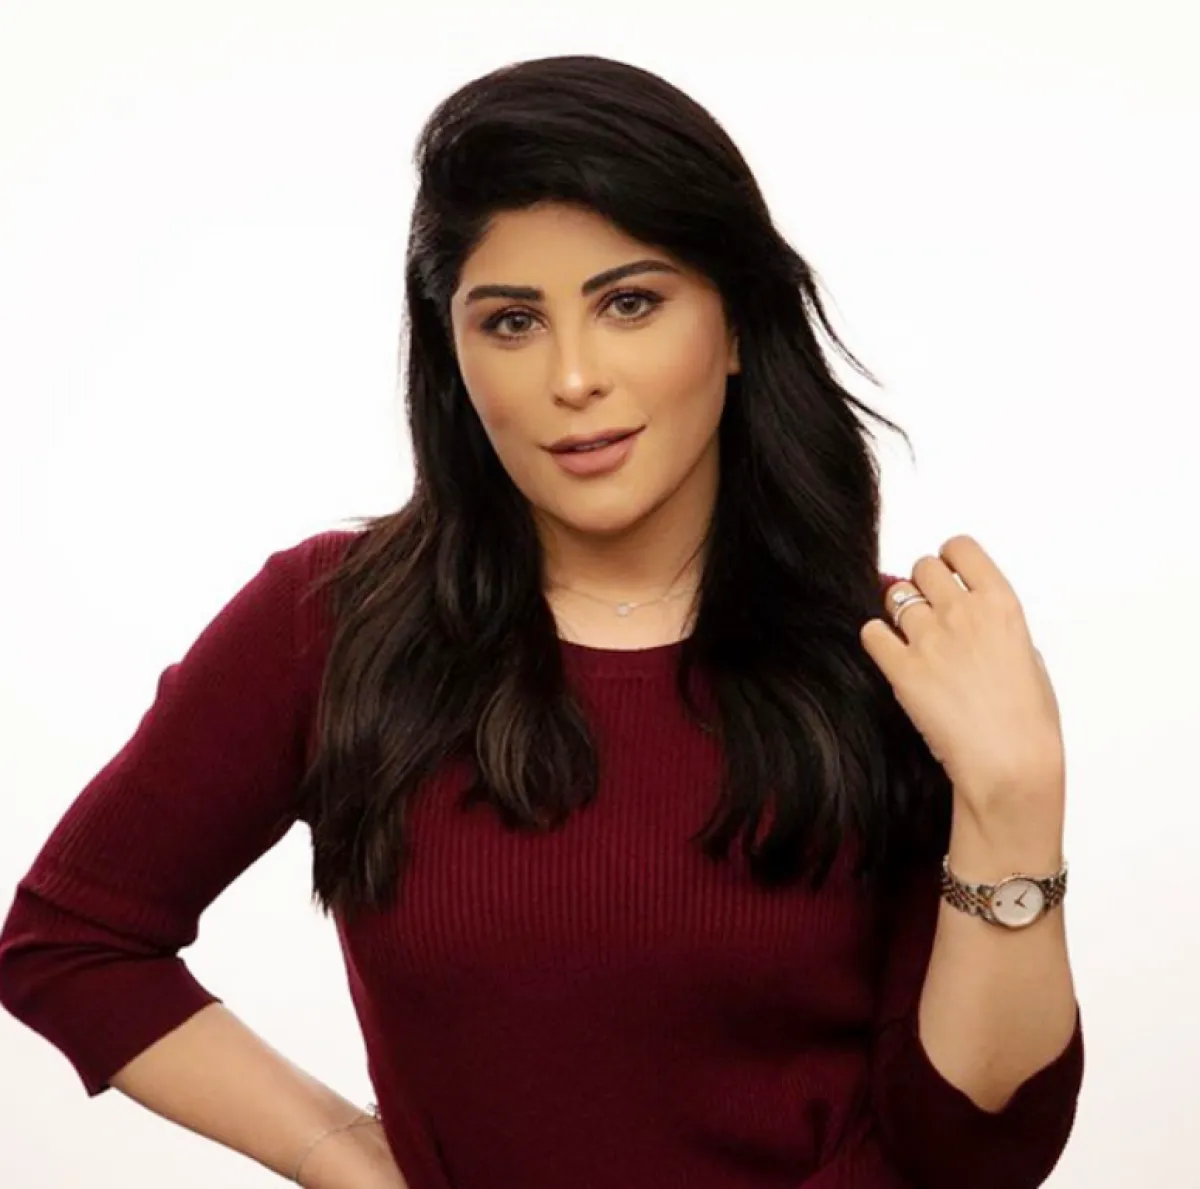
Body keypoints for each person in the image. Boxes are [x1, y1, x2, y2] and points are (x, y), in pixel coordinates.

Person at [0, 53, 1083, 1189]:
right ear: (453, 353)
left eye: (630, 303)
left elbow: (972, 1149)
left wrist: (1016, 796)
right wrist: (350, 1157)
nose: (573, 377)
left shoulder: (896, 655)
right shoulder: (333, 624)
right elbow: (74, 943)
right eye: (512, 321)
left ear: (736, 325)